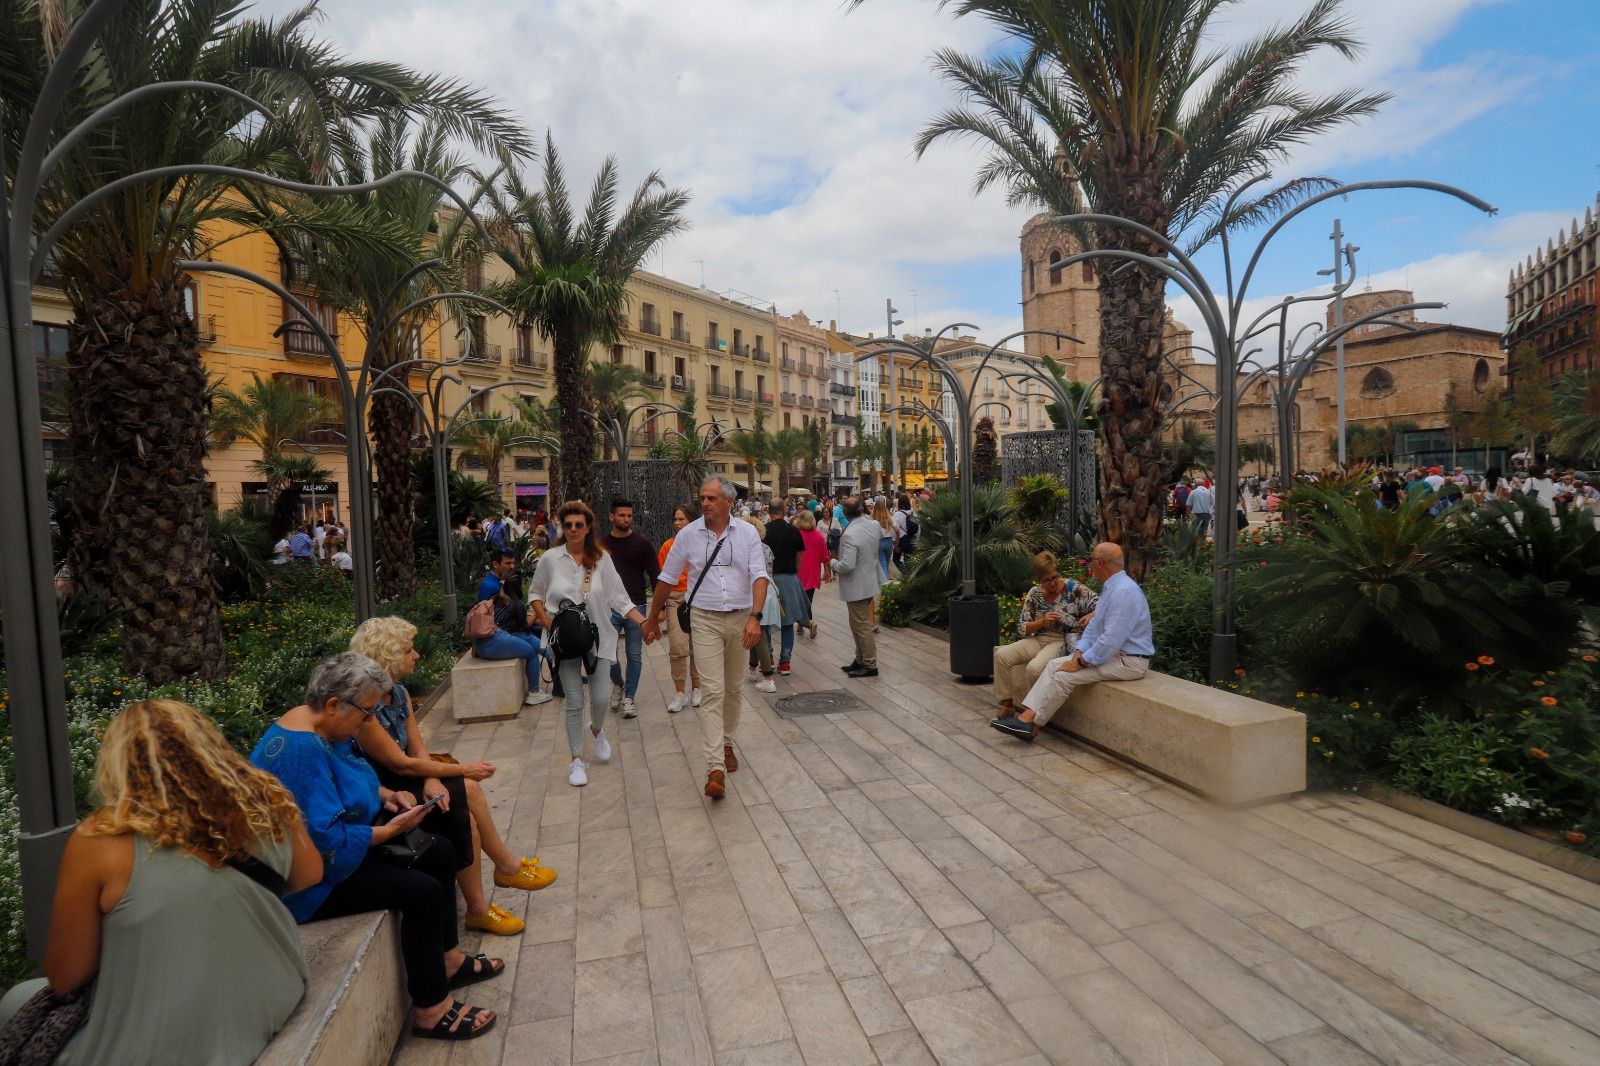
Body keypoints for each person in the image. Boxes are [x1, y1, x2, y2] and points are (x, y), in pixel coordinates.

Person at [0, 700, 317, 1065]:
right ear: (207, 745)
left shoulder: (102, 839)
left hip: (164, 1046)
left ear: (117, 765)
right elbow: (308, 876)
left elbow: (66, 976)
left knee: (16, 1000)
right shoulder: (265, 801)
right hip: (274, 991)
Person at [251, 653, 503, 1042]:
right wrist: (389, 832)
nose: (368, 724)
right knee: (422, 892)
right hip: (308, 883)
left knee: (441, 852)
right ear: (334, 704)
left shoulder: (317, 722)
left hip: (340, 846)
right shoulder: (301, 751)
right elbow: (326, 844)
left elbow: (353, 784)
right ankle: (430, 1010)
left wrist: (387, 796)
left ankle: (448, 960)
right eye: (366, 714)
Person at [350, 617, 556, 937]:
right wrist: (461, 769)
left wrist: (432, 779)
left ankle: (489, 895)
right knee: (468, 791)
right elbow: (400, 765)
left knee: (467, 813)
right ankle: (500, 877)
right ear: (387, 658)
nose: (416, 655)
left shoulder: (399, 693)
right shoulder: (366, 708)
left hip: (410, 781)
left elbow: (417, 751)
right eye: (408, 650)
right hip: (385, 795)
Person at [643, 476, 770, 799]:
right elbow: (667, 578)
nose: (705, 503)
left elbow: (759, 574)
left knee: (733, 688)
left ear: (729, 502)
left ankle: (727, 741)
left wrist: (756, 616)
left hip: (742, 617)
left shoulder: (747, 534)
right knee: (712, 691)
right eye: (703, 498)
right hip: (704, 619)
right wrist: (652, 617)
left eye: (712, 498)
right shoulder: (688, 535)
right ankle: (714, 767)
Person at [529, 500, 650, 788]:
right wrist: (547, 622)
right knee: (573, 701)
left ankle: (596, 730)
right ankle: (576, 760)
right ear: (562, 527)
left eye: (578, 525)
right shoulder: (549, 559)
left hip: (599, 637)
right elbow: (535, 593)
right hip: (564, 642)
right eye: (568, 524)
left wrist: (643, 623)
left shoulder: (602, 559)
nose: (573, 529)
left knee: (599, 698)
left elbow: (619, 598)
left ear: (588, 528)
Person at [991, 543, 1154, 741]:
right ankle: (1027, 719)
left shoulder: (1124, 592)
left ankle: (1031, 724)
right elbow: (1094, 627)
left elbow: (1110, 640)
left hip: (1128, 661)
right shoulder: (1112, 588)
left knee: (1063, 676)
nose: (1089, 565)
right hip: (1114, 655)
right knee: (1053, 666)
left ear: (1101, 563)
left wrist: (1082, 662)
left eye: (1091, 561)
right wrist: (1078, 652)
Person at [993, 552, 1098, 717]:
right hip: (1038, 638)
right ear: (1039, 579)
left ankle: (1033, 713)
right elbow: (1022, 628)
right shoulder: (1034, 594)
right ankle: (1007, 704)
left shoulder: (1073, 588)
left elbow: (1102, 605)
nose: (1053, 583)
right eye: (1047, 580)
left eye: (1055, 577)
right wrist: (1041, 622)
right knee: (1002, 655)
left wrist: (1091, 615)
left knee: (1034, 669)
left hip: (1061, 640)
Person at [472, 548, 552, 707]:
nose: (511, 566)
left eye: (513, 562)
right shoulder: (490, 587)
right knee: (534, 644)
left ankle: (557, 671)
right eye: (507, 563)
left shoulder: (502, 587)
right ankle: (541, 686)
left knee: (539, 638)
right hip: (498, 635)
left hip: (506, 631)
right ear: (495, 564)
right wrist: (538, 615)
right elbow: (485, 618)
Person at [601, 498, 658, 720]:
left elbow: (654, 574)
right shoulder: (601, 545)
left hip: (636, 606)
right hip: (609, 607)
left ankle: (629, 698)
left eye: (629, 515)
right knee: (608, 654)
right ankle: (618, 683)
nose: (626, 519)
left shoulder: (642, 544)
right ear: (611, 517)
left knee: (634, 654)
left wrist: (658, 609)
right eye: (621, 515)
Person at [656, 504, 702, 713]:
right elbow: (662, 578)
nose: (677, 523)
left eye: (681, 519)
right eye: (675, 519)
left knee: (698, 647)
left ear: (692, 521)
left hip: (698, 599)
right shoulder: (668, 546)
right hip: (675, 599)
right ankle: (680, 692)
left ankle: (698, 689)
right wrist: (660, 608)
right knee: (677, 647)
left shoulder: (703, 544)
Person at [831, 495, 883, 678]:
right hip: (869, 580)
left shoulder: (850, 534)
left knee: (861, 625)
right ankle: (860, 659)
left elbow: (847, 565)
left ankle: (869, 663)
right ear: (862, 509)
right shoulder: (874, 525)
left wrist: (832, 563)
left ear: (845, 513)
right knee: (857, 624)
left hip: (856, 586)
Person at [764, 499, 811, 675]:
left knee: (766, 620)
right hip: (789, 578)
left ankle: (767, 658)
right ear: (784, 511)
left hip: (768, 580)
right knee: (788, 622)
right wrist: (795, 576)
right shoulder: (793, 531)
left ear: (769, 512)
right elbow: (799, 558)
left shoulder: (764, 531)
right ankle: (785, 662)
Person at [741, 515, 781, 692]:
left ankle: (767, 677)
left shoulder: (745, 549)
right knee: (756, 631)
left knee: (760, 633)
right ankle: (752, 667)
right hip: (769, 591)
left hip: (756, 592)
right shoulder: (766, 548)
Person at [794, 507, 830, 639]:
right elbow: (825, 556)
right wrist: (827, 571)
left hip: (798, 573)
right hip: (813, 573)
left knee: (798, 602)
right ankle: (802, 625)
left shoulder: (796, 534)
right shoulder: (819, 535)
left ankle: (808, 623)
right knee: (807, 601)